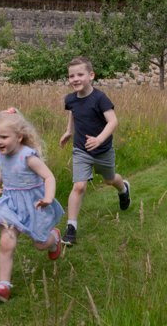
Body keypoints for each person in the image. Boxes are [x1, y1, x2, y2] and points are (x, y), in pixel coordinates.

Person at [0, 107, 65, 303]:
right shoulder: (1, 155)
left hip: (34, 205)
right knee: (6, 243)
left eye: (3, 137)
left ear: (19, 137)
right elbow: (5, 168)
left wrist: (49, 197)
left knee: (40, 244)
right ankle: (3, 285)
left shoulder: (28, 157)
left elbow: (49, 176)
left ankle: (54, 238)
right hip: (10, 204)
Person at [59, 56, 131, 246]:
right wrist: (68, 131)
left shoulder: (100, 98)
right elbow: (73, 114)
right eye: (71, 76)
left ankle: (123, 189)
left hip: (103, 150)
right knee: (79, 186)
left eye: (80, 74)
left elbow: (113, 121)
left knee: (109, 180)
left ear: (91, 75)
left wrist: (99, 139)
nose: (75, 79)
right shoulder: (70, 99)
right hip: (81, 149)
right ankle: (71, 228)